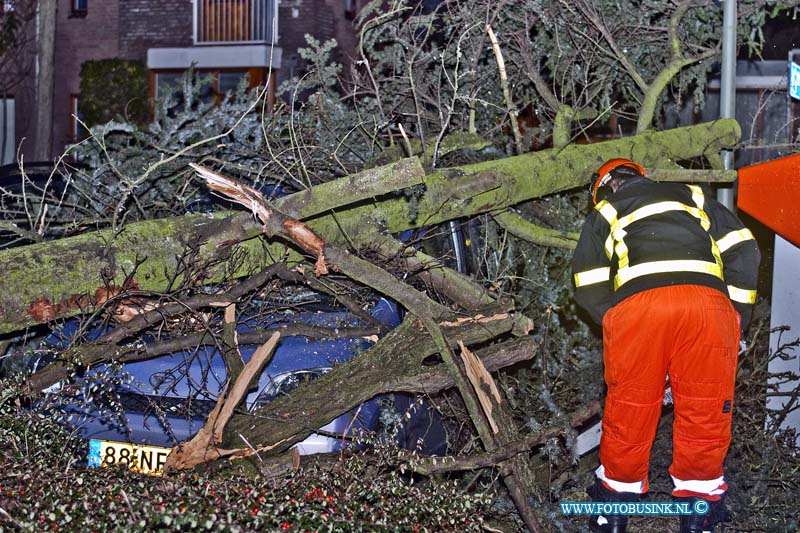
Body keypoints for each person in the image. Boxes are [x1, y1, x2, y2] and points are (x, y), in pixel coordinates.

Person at [571, 159, 760, 533]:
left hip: (641, 310)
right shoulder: (691, 196)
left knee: (631, 406)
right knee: (706, 409)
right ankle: (699, 512)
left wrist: (614, 318)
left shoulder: (608, 208)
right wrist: (736, 314)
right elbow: (745, 250)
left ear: (604, 187)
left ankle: (614, 509)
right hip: (708, 306)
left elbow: (587, 275)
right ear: (639, 175)